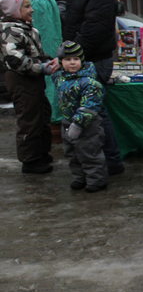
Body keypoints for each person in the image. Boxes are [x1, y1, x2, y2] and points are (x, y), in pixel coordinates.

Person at [62, 0, 124, 176]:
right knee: (91, 111)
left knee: (93, 111)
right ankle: (97, 161)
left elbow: (92, 31)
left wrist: (67, 55)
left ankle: (110, 160)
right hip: (82, 59)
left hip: (93, 60)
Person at [0, 0, 57, 174]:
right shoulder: (9, 32)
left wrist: (50, 60)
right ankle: (30, 160)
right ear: (13, 10)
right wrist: (42, 67)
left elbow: (37, 54)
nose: (31, 10)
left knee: (43, 114)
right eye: (26, 6)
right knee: (29, 119)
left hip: (34, 81)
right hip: (21, 81)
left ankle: (41, 152)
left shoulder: (29, 28)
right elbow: (16, 61)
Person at [51, 41, 108, 192]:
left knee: (89, 151)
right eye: (67, 60)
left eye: (76, 59)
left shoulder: (88, 82)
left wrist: (78, 123)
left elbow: (90, 105)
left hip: (87, 124)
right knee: (72, 152)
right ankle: (79, 177)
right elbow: (50, 71)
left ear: (81, 61)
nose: (72, 63)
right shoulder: (60, 77)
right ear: (61, 62)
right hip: (67, 121)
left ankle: (96, 180)